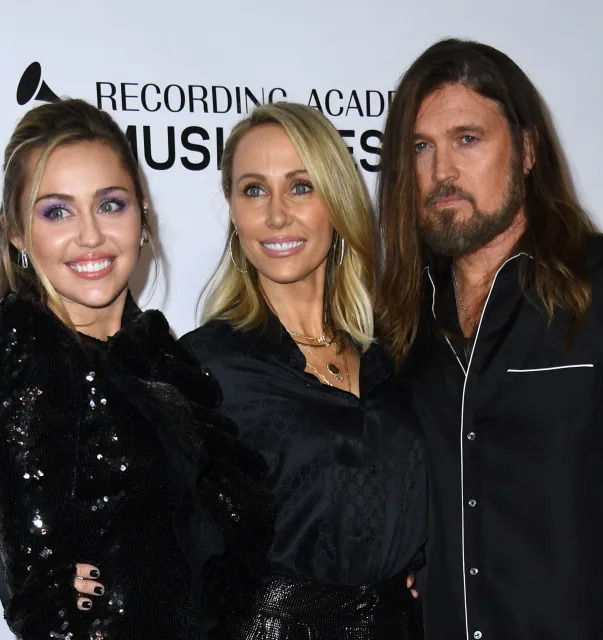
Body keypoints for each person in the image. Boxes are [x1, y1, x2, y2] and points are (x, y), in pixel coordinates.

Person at [375, 38, 603, 639]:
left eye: (468, 139)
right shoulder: (399, 325)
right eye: (420, 148)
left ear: (528, 147)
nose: (442, 174)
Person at [0, 98, 270, 640]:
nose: (90, 236)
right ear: (15, 233)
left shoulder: (160, 356)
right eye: (56, 211)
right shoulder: (25, 348)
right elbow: (45, 598)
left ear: (142, 214)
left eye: (110, 204)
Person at [177, 102, 428, 638]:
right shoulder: (204, 368)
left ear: (335, 200)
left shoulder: (399, 351)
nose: (275, 215)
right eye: (253, 190)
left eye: (300, 186)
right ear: (231, 209)